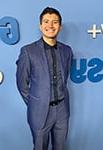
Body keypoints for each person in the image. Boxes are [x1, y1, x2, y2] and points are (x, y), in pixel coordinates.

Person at [16, 7, 73, 150]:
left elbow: (64, 77)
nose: (50, 26)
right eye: (46, 22)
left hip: (62, 109)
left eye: (55, 22)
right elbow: (22, 84)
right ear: (40, 26)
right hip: (40, 111)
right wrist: (36, 102)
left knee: (59, 147)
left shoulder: (67, 51)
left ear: (60, 26)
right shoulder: (28, 51)